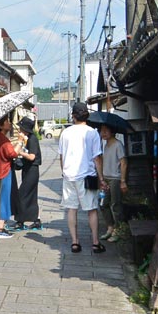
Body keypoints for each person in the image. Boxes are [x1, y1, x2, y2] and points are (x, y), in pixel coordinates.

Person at [57, 102, 108, 254]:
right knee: (91, 210)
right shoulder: (92, 133)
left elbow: (61, 156)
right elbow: (97, 158)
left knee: (71, 209)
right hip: (88, 177)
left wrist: (64, 171)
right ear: (87, 115)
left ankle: (75, 242)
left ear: (73, 115)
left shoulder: (65, 133)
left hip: (69, 176)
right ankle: (95, 243)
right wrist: (102, 179)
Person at [0, 115, 24, 239]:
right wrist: (20, 141)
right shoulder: (3, 139)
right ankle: (0, 228)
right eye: (6, 121)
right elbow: (12, 154)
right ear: (1, 125)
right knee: (3, 200)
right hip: (4, 172)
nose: (9, 123)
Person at [10, 116, 42, 231]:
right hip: (28, 170)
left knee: (21, 195)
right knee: (31, 196)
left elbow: (32, 156)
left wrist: (21, 153)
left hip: (32, 171)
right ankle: (36, 220)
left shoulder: (32, 139)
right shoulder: (28, 138)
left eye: (21, 128)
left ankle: (20, 221)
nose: (19, 130)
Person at [98, 124, 128, 243]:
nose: (103, 133)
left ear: (112, 131)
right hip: (106, 178)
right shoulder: (105, 145)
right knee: (103, 204)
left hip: (115, 179)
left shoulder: (118, 144)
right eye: (102, 131)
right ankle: (110, 227)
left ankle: (118, 230)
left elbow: (124, 163)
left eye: (106, 131)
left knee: (116, 205)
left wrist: (123, 181)